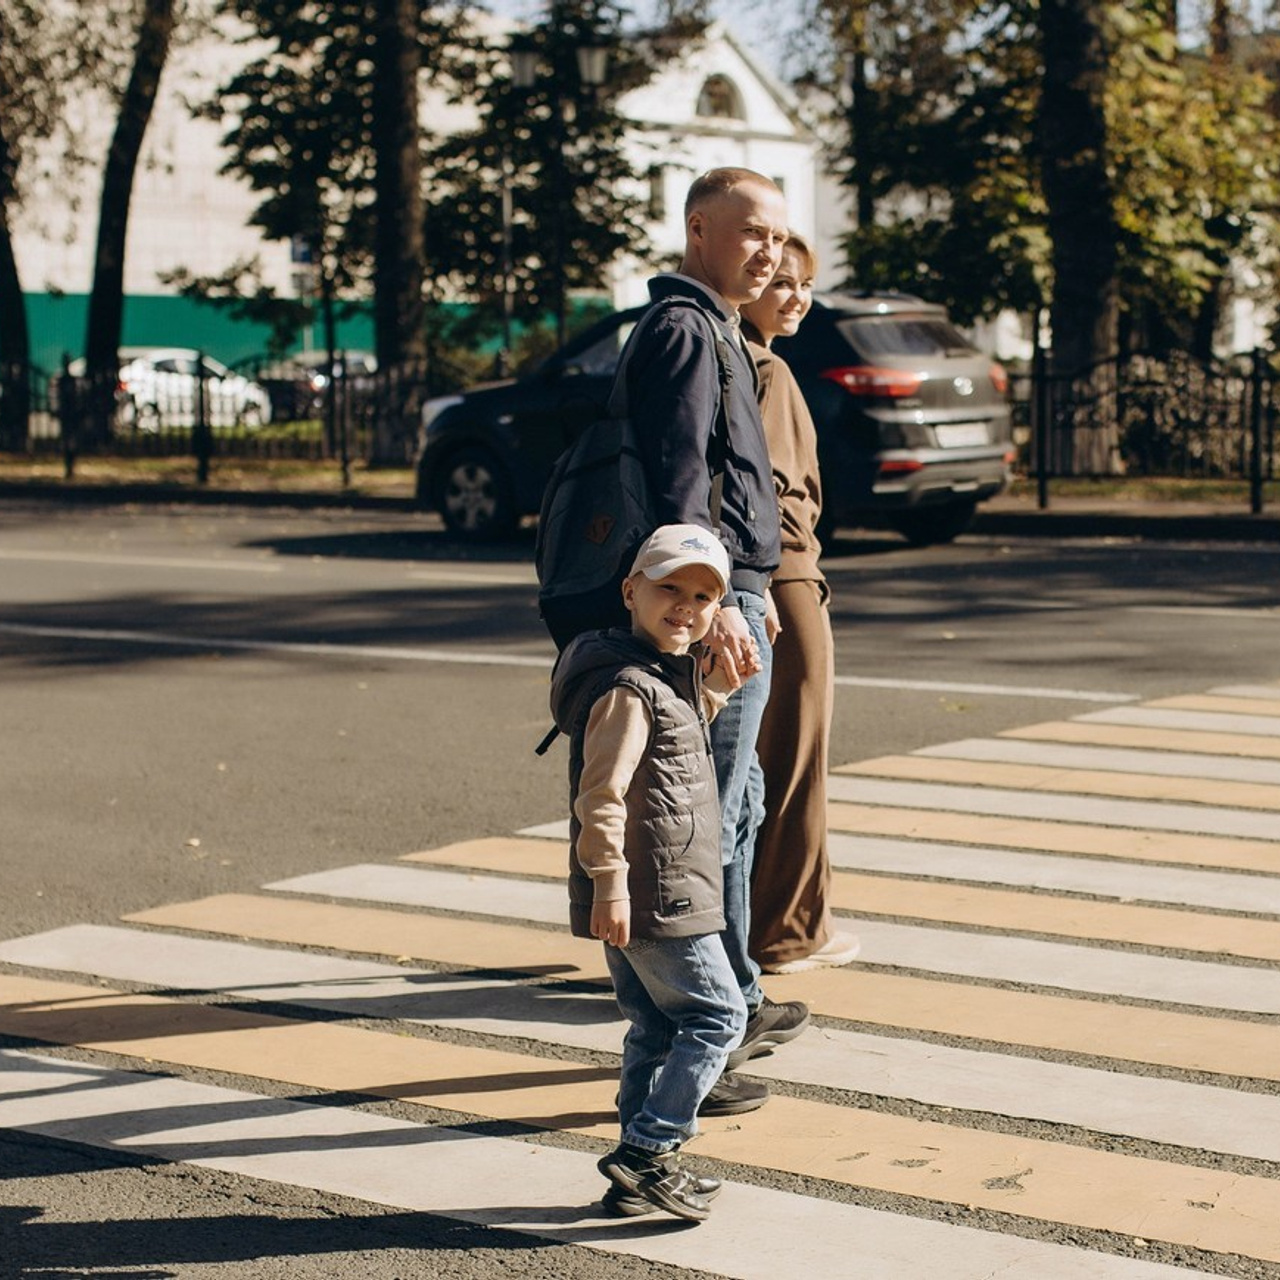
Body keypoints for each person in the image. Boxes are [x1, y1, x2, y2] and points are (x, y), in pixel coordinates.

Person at [624, 168, 810, 1110]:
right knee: (699, 826)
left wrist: (755, 581)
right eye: (752, 233)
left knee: (736, 810)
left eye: (778, 235)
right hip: (712, 612)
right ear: (700, 230)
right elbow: (680, 484)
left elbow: (731, 485)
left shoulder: (719, 329)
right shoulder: (685, 330)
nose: (770, 251)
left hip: (736, 594)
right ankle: (704, 1039)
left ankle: (736, 990)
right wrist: (722, 600)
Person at [549, 524, 764, 1222]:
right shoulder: (627, 689)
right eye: (670, 587)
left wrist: (721, 692)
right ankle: (649, 1149)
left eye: (704, 595)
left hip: (658, 890)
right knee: (720, 1014)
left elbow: (675, 749)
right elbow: (601, 794)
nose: (686, 605)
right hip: (655, 894)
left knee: (651, 1027)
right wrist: (609, 881)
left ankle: (635, 1174)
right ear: (630, 590)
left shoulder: (662, 677)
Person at [740, 234, 861, 974]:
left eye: (805, 284)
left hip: (754, 581)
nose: (797, 297)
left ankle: (775, 923)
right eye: (781, 283)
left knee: (757, 767)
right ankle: (789, 932)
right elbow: (782, 498)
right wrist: (796, 570)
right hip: (785, 581)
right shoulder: (768, 370)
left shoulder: (725, 357)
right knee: (793, 761)